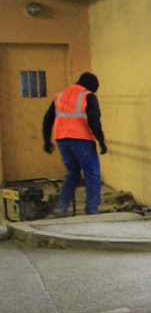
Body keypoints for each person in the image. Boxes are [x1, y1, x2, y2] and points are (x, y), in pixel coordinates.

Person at [42, 72, 107, 215]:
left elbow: (47, 119)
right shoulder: (88, 96)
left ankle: (61, 207)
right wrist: (101, 141)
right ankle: (91, 210)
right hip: (81, 139)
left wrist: (47, 140)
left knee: (72, 174)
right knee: (92, 174)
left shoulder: (61, 95)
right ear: (92, 85)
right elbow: (94, 120)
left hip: (62, 141)